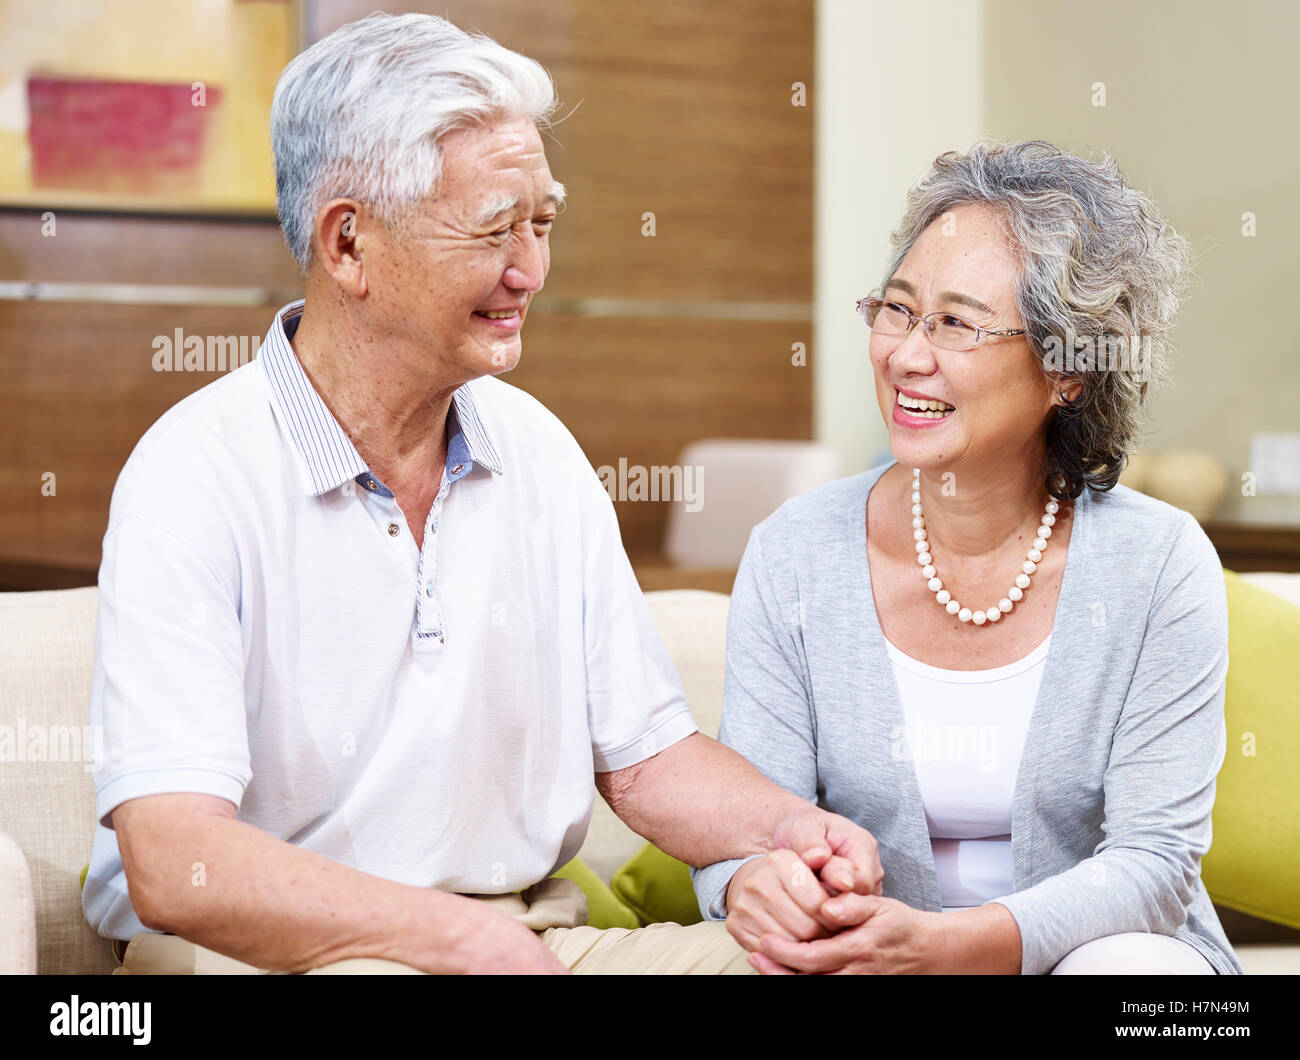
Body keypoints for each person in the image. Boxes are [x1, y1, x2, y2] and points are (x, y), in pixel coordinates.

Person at [80, 11, 882, 975]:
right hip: (271, 952)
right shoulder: (194, 472)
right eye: (496, 229)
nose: (531, 272)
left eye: (542, 223)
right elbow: (176, 862)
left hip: (524, 939)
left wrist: (797, 829)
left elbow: (645, 759)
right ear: (348, 245)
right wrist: (449, 937)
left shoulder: (537, 448)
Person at [692, 140, 1243, 975]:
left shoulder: (1159, 565)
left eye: (956, 322)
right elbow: (743, 824)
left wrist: (946, 948)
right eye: (896, 309)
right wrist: (752, 882)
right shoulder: (795, 553)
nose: (908, 354)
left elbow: (1155, 866)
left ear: (1069, 368)